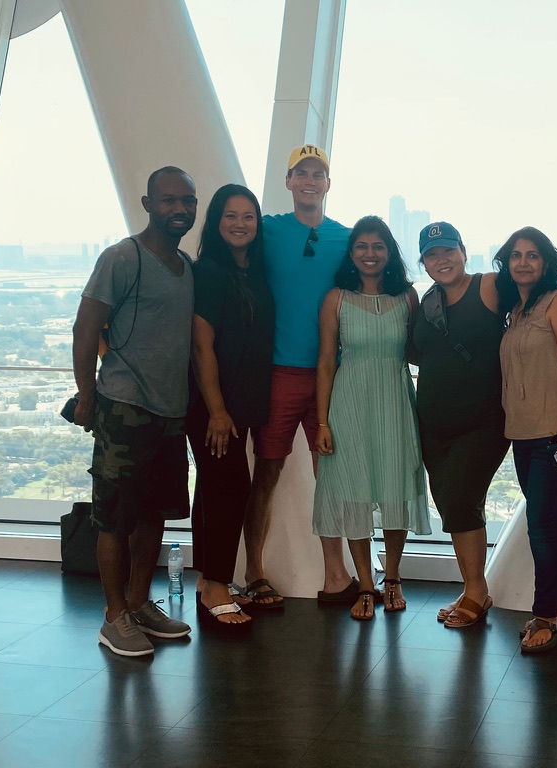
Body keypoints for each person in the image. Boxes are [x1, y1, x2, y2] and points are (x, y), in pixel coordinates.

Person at [71, 166, 197, 658]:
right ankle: (114, 614)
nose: (179, 209)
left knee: (154, 516)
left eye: (186, 201)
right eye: (168, 200)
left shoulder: (186, 266)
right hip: (124, 407)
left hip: (171, 413)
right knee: (115, 519)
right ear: (147, 204)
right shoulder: (122, 258)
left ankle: (142, 603)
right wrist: (86, 395)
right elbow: (86, 328)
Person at [246, 144, 355, 604]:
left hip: (332, 375)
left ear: (328, 184)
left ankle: (338, 577)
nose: (311, 181)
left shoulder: (347, 238)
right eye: (302, 173)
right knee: (266, 472)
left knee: (329, 476)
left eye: (319, 174)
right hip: (277, 373)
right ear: (288, 182)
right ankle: (253, 571)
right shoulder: (265, 230)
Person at [314, 216, 430, 621]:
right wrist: (322, 422)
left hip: (397, 401)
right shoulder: (336, 299)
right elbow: (326, 362)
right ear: (351, 253)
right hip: (349, 403)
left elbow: (420, 351)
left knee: (396, 486)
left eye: (377, 246)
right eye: (361, 246)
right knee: (355, 491)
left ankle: (393, 577)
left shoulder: (408, 297)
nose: (369, 253)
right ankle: (365, 582)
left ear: (389, 252)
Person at [494, 227, 557, 653]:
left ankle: (546, 615)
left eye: (532, 255)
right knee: (549, 523)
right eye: (516, 255)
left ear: (547, 262)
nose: (523, 262)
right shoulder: (515, 310)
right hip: (523, 433)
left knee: (541, 526)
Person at [412, 222, 509, 628]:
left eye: (448, 251)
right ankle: (474, 586)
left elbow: (536, 295)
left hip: (483, 421)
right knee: (453, 504)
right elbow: (419, 355)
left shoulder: (488, 285)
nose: (442, 259)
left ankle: (477, 593)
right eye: (432, 254)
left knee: (462, 499)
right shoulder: (426, 301)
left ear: (464, 251)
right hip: (434, 423)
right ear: (424, 262)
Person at [187, 184, 275, 628]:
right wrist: (217, 410)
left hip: (243, 402)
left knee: (213, 488)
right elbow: (202, 346)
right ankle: (218, 584)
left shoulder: (254, 272)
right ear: (216, 223)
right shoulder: (209, 272)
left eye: (249, 217)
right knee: (230, 489)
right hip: (212, 405)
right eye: (231, 216)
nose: (241, 224)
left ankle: (207, 580)